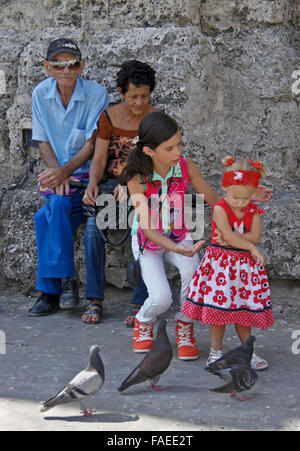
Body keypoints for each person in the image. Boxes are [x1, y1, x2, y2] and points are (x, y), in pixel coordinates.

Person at [29, 38, 109, 317]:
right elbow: (42, 140)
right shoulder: (40, 93)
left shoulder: (97, 94)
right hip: (57, 176)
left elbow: (91, 143)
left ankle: (51, 290)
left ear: (81, 66)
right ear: (47, 66)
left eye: (72, 63)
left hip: (86, 176)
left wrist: (64, 172)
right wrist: (56, 174)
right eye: (58, 64)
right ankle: (63, 284)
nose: (65, 69)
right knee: (57, 206)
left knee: (46, 216)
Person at [182, 156, 274, 370]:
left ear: (253, 194)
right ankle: (215, 352)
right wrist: (248, 246)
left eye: (246, 198)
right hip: (221, 268)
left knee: (243, 312)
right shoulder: (220, 209)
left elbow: (255, 235)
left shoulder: (254, 210)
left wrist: (239, 240)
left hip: (244, 270)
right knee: (218, 313)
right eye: (235, 197)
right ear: (224, 188)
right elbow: (230, 237)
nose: (240, 203)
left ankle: (247, 351)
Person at [81, 60, 156, 325]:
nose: (139, 102)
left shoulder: (155, 119)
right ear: (121, 93)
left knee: (145, 229)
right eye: (133, 96)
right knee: (93, 229)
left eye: (144, 96)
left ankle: (141, 301)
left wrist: (130, 183)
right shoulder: (108, 117)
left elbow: (156, 162)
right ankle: (94, 299)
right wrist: (92, 183)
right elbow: (99, 159)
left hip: (145, 184)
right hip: (111, 186)